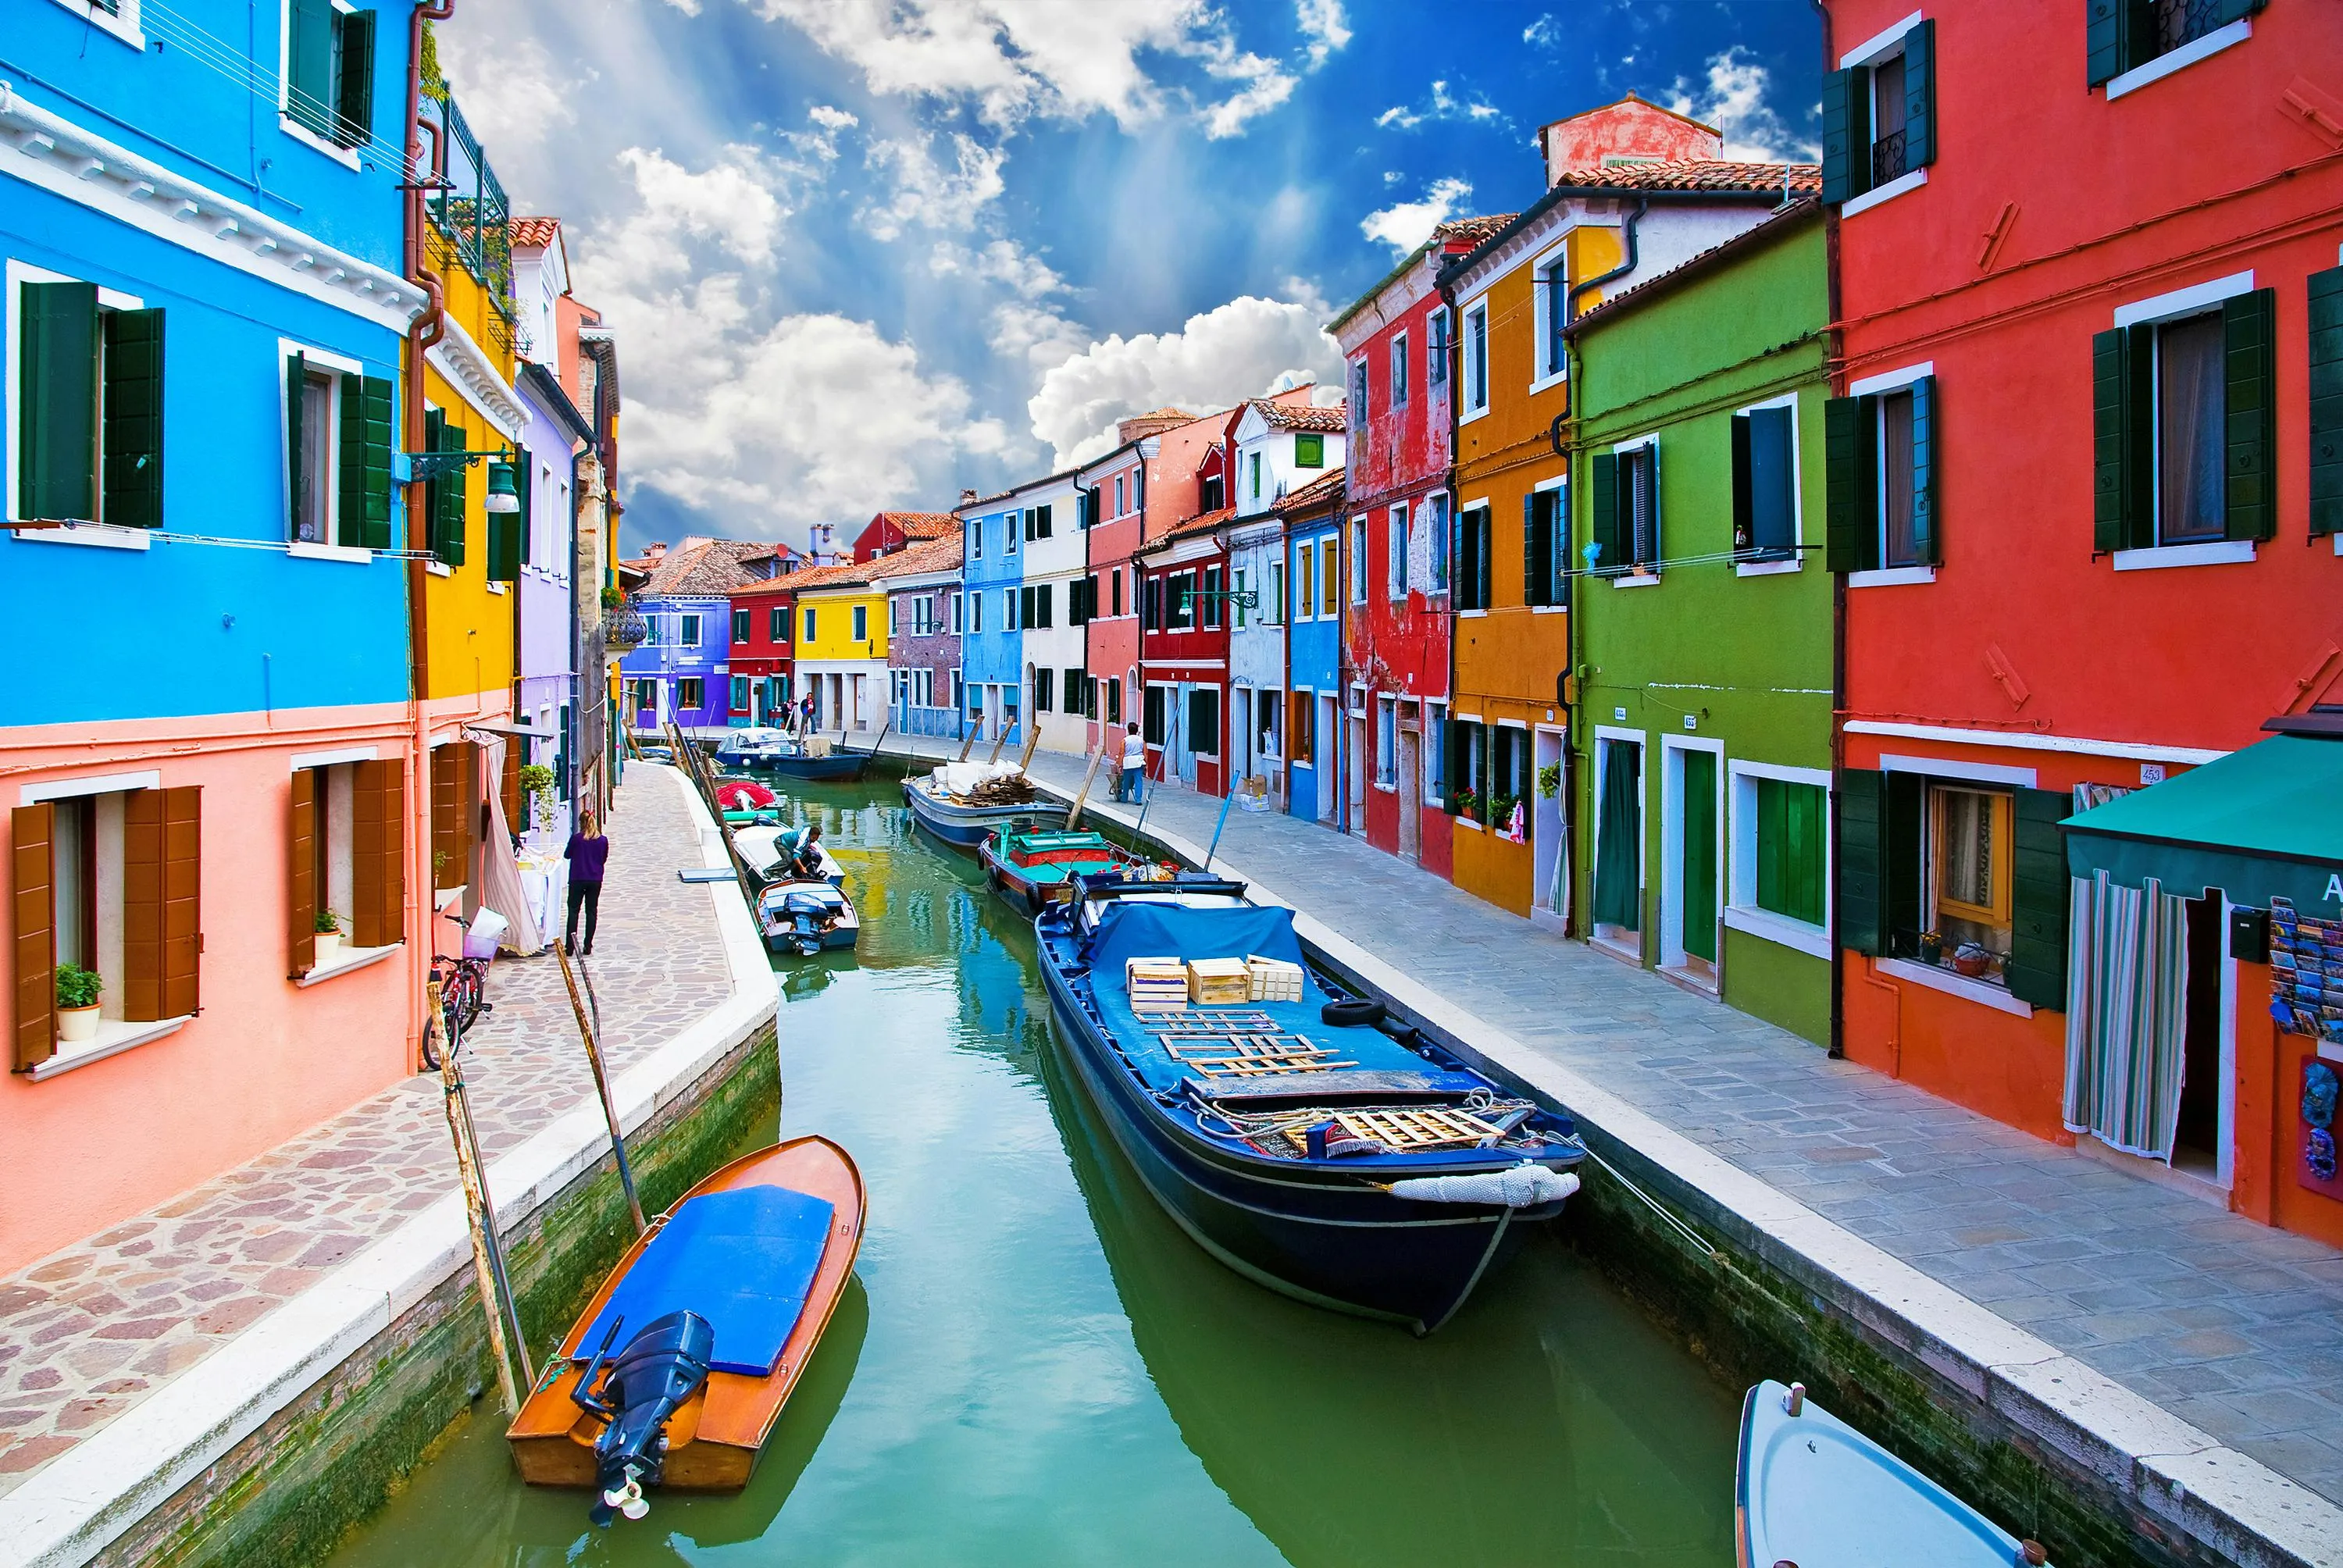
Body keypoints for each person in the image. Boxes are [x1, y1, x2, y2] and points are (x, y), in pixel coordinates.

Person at [564, 809, 610, 957]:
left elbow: (567, 855)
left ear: (581, 823)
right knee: (591, 911)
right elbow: (603, 859)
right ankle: (588, 945)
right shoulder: (603, 840)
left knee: (573, 911)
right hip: (595, 879)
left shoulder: (576, 839)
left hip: (577, 878)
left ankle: (570, 947)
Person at [1118, 720, 1146, 804]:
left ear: (1128, 730)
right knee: (1138, 781)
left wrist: (1120, 764)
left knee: (1126, 781)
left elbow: (1122, 753)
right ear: (1137, 730)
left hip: (1128, 762)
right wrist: (1146, 764)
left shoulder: (1124, 741)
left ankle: (1124, 798)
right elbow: (1145, 752)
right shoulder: (1142, 741)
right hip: (1138, 762)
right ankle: (1138, 799)